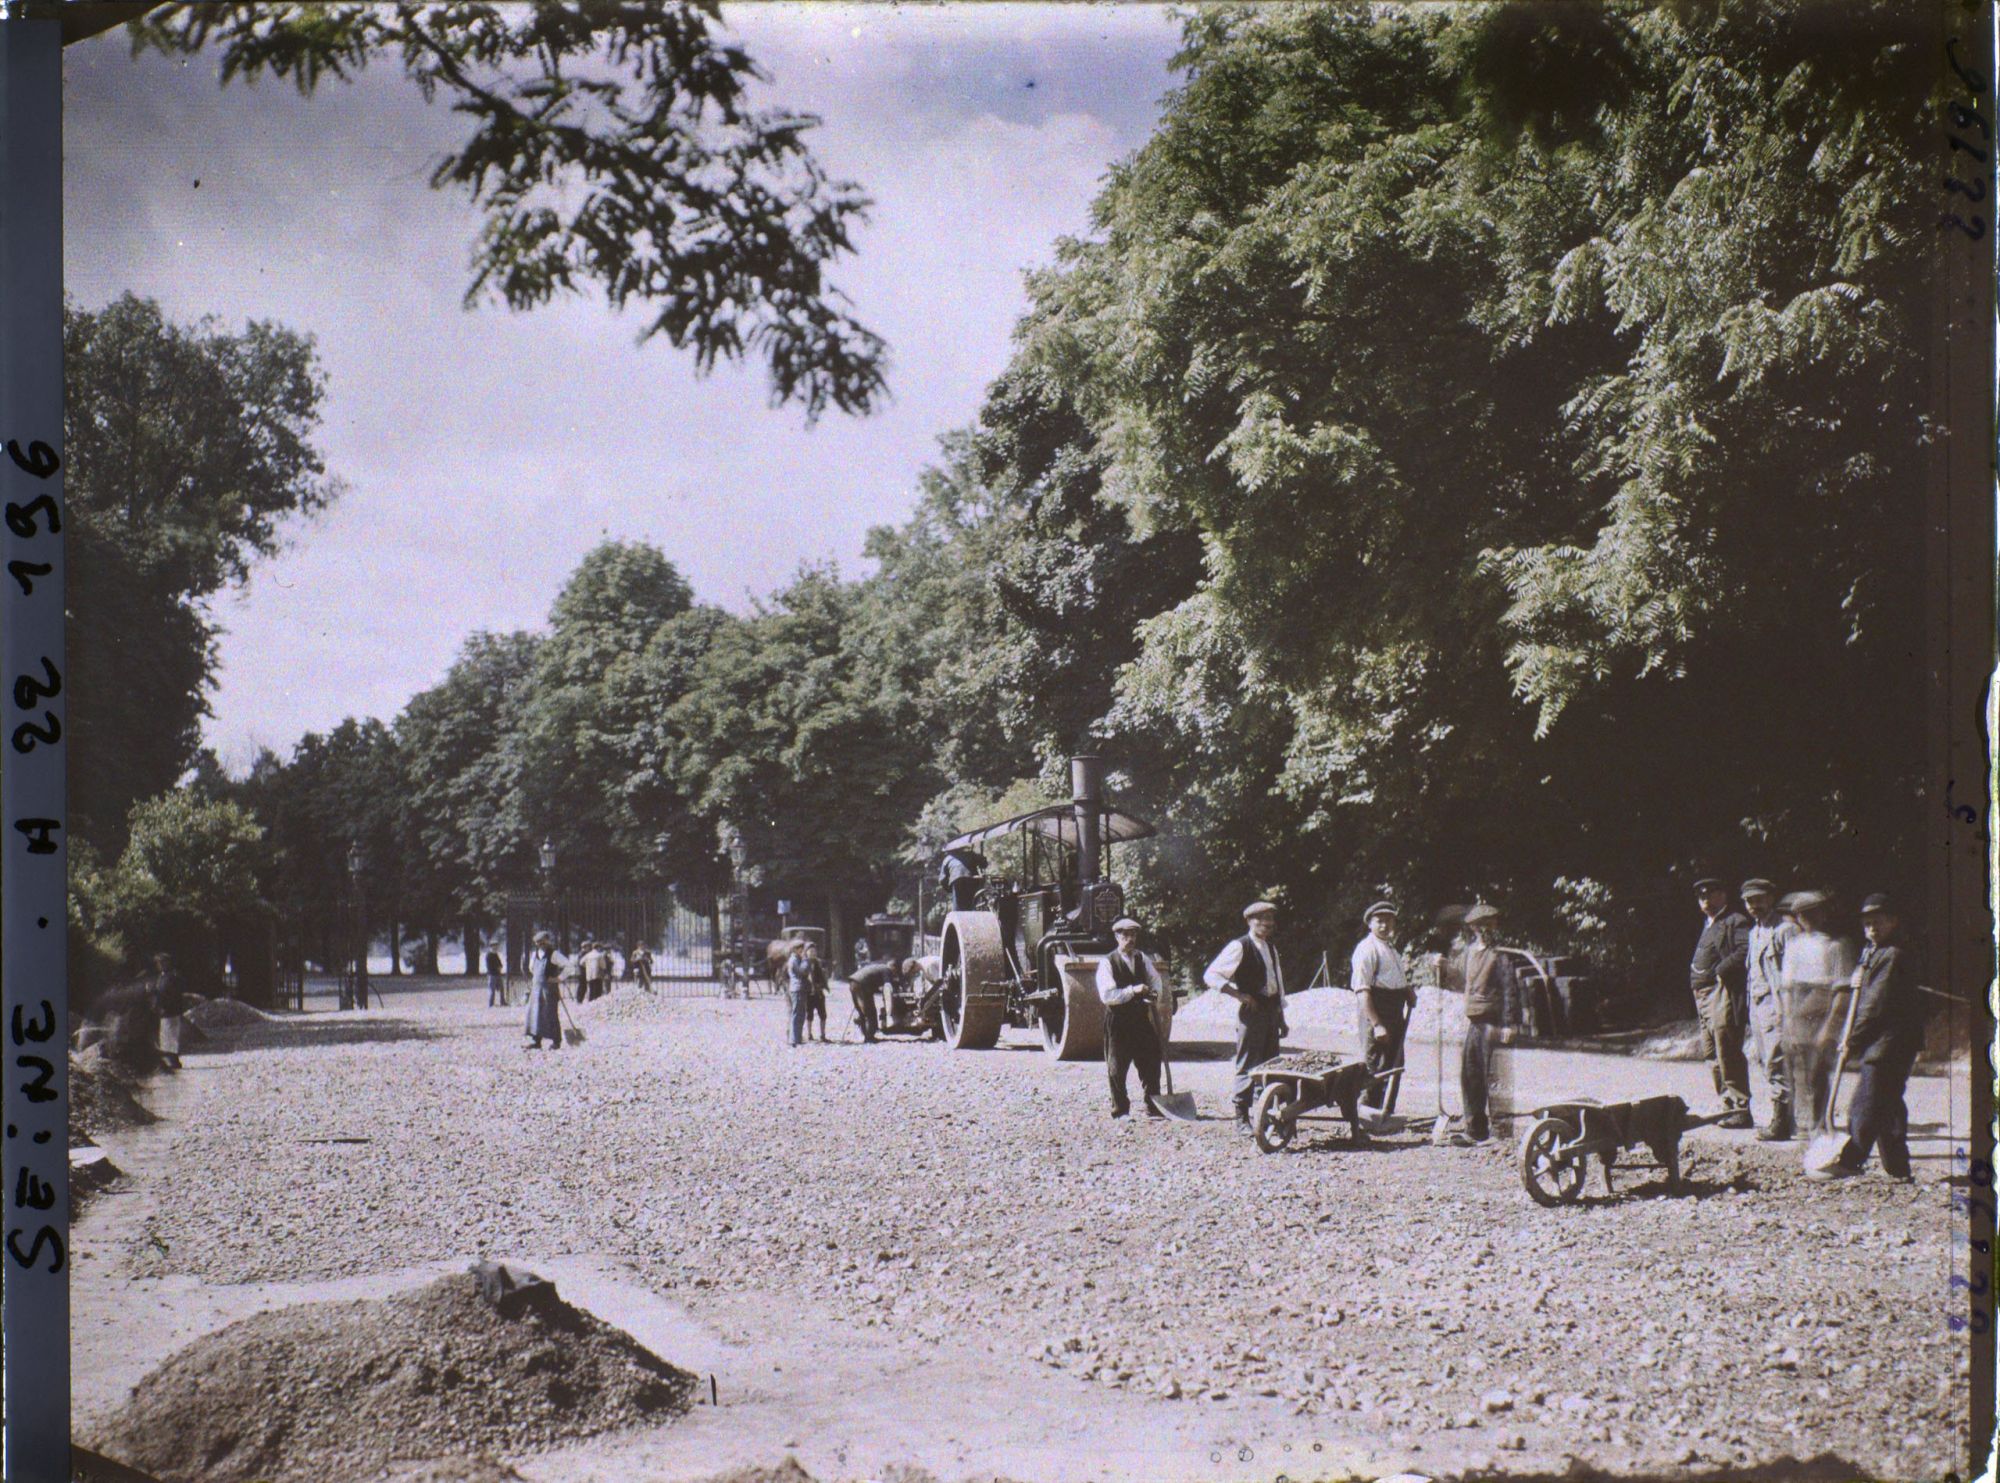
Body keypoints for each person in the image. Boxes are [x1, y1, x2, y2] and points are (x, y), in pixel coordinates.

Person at [1816, 894, 1919, 1181]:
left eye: (1878, 922)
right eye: (1867, 924)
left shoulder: (1893, 955)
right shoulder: (1873, 951)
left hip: (1891, 1041)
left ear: (1893, 921)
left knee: (1868, 1100)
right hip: (1886, 1040)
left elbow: (1874, 1005)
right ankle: (1898, 1169)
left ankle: (1850, 1161)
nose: (1872, 929)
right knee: (1888, 1103)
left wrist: (1853, 1040)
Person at [1204, 901, 1288, 1134]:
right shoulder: (1239, 946)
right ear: (1250, 921)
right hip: (1252, 1013)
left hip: (1271, 1011)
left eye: (1270, 919)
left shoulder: (1271, 948)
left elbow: (1277, 985)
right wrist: (1239, 995)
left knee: (1270, 1065)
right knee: (1248, 1064)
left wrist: (1281, 1017)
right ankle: (1241, 1117)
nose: (1267, 923)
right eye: (1261, 919)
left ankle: (1265, 1116)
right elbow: (1211, 975)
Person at [1437, 904, 1517, 1146]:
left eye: (1490, 925)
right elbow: (1456, 982)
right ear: (1473, 929)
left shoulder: (1500, 955)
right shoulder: (1469, 954)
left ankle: (1501, 1133)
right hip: (1474, 1022)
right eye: (1481, 926)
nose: (1486, 929)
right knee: (1470, 1075)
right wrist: (1442, 968)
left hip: (1494, 1022)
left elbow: (1510, 990)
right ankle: (1475, 1130)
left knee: (1495, 1079)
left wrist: (1509, 1023)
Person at [1779, 891, 1857, 1138]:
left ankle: (1819, 1122)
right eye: (1802, 914)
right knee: (1797, 1068)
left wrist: (1831, 1026)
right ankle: (1801, 1122)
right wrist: (1787, 1018)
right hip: (1797, 1009)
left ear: (1824, 914)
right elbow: (1787, 987)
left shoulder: (1836, 945)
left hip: (1823, 1008)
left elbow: (1842, 990)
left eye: (1813, 913)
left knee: (1817, 1069)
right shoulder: (1794, 945)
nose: (1808, 918)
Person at [1688, 877, 1754, 1129]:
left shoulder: (1735, 921)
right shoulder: (1708, 923)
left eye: (1710, 893)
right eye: (1701, 896)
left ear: (1723, 895)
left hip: (1721, 992)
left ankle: (1740, 1109)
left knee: (1727, 1050)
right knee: (1711, 1053)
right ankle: (1727, 1105)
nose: (1705, 899)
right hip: (1702, 995)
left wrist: (1720, 970)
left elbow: (1745, 950)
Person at [1096, 917, 1167, 1119]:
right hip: (1118, 1021)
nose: (1130, 939)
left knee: (1151, 1061)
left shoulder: (1142, 958)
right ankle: (1120, 1111)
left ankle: (1153, 1106)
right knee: (1117, 1068)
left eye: (1133, 935)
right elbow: (1108, 995)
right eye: (1125, 935)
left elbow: (1156, 981)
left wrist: (1154, 994)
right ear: (1117, 937)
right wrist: (1133, 990)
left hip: (1140, 1018)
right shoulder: (1108, 962)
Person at [1741, 878, 1796, 1140]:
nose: (1755, 905)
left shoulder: (1785, 930)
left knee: (1777, 1060)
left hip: (1777, 1004)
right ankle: (1786, 1117)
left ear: (1771, 899)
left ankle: (1782, 1122)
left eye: (1759, 899)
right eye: (1749, 901)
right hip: (1757, 1004)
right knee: (1766, 1061)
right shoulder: (1754, 932)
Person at [1350, 902, 1411, 1120]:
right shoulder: (1367, 949)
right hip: (1376, 1011)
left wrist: (1407, 991)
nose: (1385, 926)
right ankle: (1366, 1114)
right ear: (1370, 924)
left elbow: (1393, 979)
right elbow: (1362, 991)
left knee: (1394, 1062)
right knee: (1374, 1065)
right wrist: (1377, 1024)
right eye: (1380, 921)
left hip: (1395, 1012)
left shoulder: (1391, 949)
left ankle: (1386, 1113)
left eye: (1389, 921)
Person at [847, 957, 913, 1043]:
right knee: (870, 1012)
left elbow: (876, 984)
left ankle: (866, 1035)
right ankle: (869, 1037)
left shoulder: (879, 967)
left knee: (862, 1013)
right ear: (894, 967)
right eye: (895, 972)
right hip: (863, 985)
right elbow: (888, 986)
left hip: (853, 982)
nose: (894, 974)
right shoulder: (887, 970)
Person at [522, 932, 567, 1051]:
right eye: (538, 943)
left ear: (547, 941)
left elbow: (570, 967)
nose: (540, 945)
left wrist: (558, 979)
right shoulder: (534, 954)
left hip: (549, 989)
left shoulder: (554, 954)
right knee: (535, 1014)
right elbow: (532, 969)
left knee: (550, 1013)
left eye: (542, 942)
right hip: (536, 989)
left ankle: (556, 1041)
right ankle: (536, 1041)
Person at [151, 951, 186, 1072]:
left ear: (168, 963)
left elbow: (174, 994)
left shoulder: (173, 977)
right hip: (164, 1011)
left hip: (171, 1010)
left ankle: (173, 1060)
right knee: (166, 1036)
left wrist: (164, 1003)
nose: (160, 965)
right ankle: (169, 1059)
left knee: (171, 1035)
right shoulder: (162, 977)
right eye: (159, 963)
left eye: (162, 962)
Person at [784, 938, 813, 1047]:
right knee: (796, 1014)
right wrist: (806, 960)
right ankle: (793, 1039)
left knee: (801, 1014)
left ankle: (798, 1037)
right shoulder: (793, 960)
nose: (802, 950)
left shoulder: (797, 959)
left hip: (801, 988)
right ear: (795, 949)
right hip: (797, 988)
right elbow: (802, 972)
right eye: (800, 948)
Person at [805, 940, 830, 1042]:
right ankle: (809, 1034)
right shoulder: (804, 964)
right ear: (807, 952)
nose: (813, 953)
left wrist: (824, 985)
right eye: (810, 951)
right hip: (808, 993)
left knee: (823, 1014)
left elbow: (823, 976)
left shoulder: (819, 963)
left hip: (819, 992)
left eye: (814, 951)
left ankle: (822, 1035)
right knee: (809, 1014)